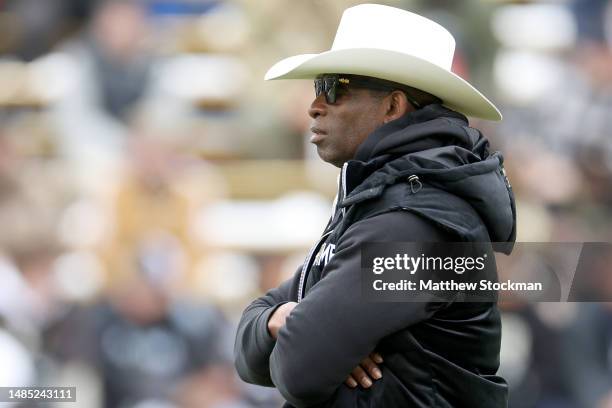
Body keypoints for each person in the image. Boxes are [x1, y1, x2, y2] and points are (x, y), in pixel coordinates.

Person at [234, 4, 516, 408]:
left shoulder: (414, 220)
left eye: (335, 87)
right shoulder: (383, 201)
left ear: (392, 107)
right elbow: (253, 338)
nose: (314, 105)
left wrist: (298, 329)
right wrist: (281, 320)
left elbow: (299, 371)